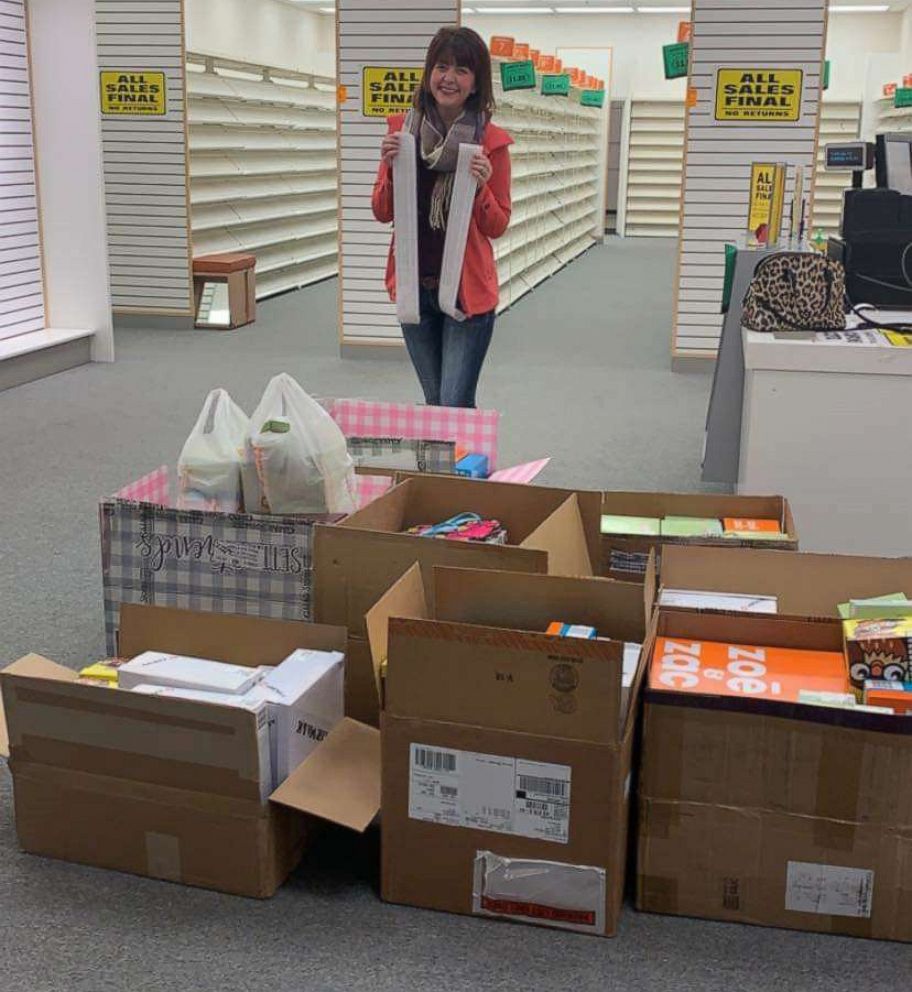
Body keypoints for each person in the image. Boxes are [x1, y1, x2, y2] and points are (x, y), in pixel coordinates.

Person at [371, 26, 513, 409]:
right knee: (435, 403)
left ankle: (465, 470)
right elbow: (382, 212)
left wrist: (481, 187)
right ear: (429, 72)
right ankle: (441, 471)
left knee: (454, 404)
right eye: (442, 66)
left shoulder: (491, 143)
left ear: (475, 83)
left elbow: (497, 225)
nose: (449, 78)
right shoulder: (402, 132)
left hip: (466, 295)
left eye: (462, 70)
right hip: (415, 290)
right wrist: (388, 169)